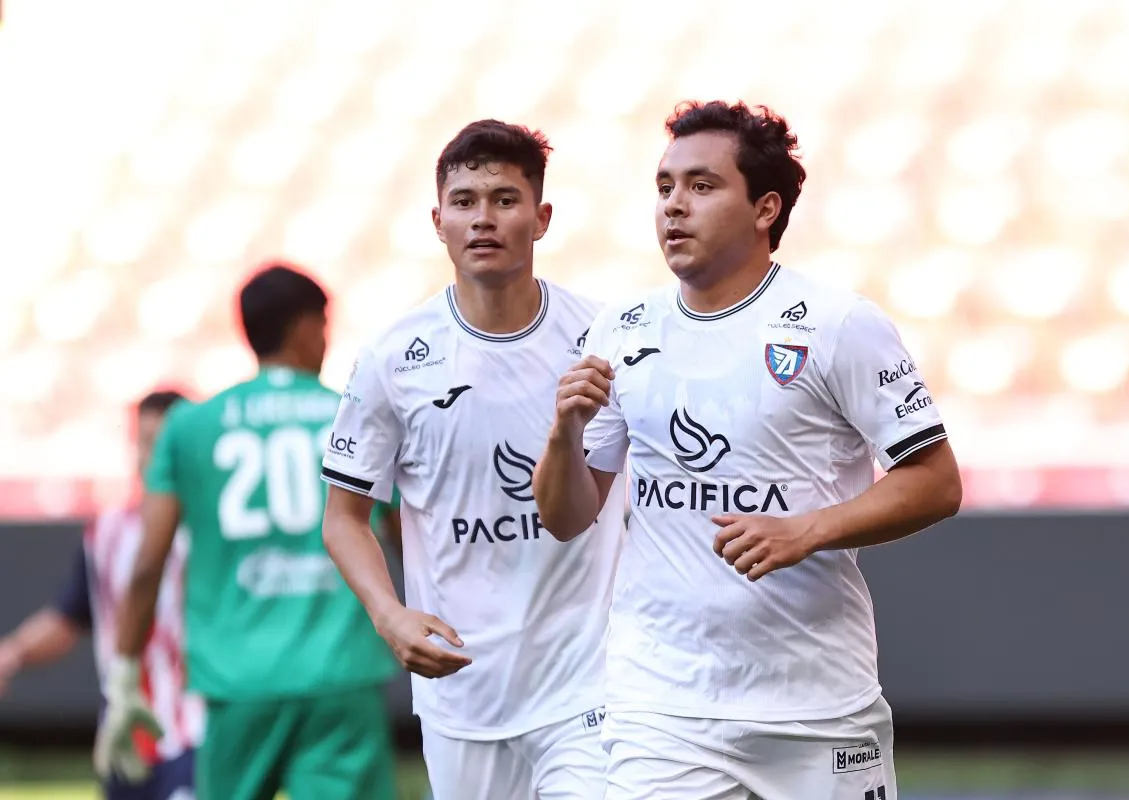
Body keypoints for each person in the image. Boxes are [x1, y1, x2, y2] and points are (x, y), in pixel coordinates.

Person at [532, 100, 964, 800]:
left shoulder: (838, 324)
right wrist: (563, 433)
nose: (674, 205)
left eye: (702, 186)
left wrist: (807, 530)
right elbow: (566, 516)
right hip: (661, 706)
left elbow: (936, 483)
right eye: (665, 186)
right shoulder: (622, 328)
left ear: (765, 209)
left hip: (816, 706)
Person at [321, 119, 625, 800]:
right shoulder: (393, 358)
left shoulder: (602, 338)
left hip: (589, 685)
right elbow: (344, 518)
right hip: (461, 691)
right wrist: (390, 615)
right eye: (464, 201)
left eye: (504, 199)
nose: (483, 218)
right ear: (438, 222)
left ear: (541, 218)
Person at [100, 264, 399, 800]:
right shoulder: (353, 416)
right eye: (323, 324)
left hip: (236, 680)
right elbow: (405, 537)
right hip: (339, 673)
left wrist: (124, 675)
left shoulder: (190, 426)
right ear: (305, 326)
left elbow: (148, 564)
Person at [0, 390, 202, 800]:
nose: (153, 457)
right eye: (145, 442)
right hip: (124, 735)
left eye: (164, 444)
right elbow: (70, 616)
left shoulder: (213, 530)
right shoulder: (107, 533)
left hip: (195, 733)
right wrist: (13, 652)